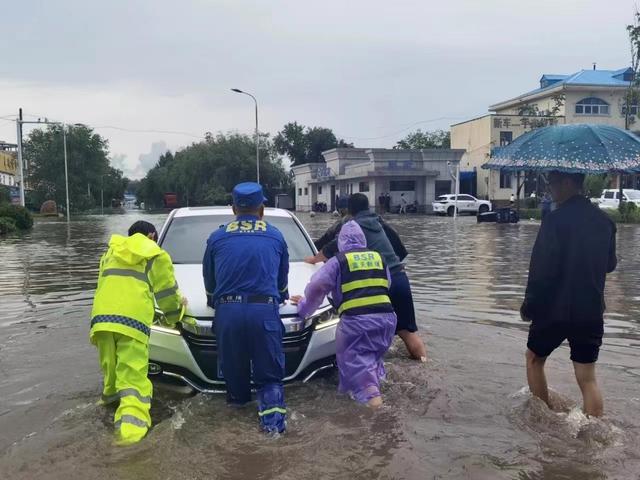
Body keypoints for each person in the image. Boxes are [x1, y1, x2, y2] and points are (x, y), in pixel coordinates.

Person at [521, 171, 617, 417]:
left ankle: (545, 423)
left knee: (534, 359)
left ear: (567, 183)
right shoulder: (605, 221)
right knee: (587, 378)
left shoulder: (554, 220)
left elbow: (540, 270)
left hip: (554, 309)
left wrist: (529, 306)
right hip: (590, 311)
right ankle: (593, 437)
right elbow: (610, 265)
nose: (549, 189)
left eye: (551, 183)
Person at [203, 182, 289, 434]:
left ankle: (235, 430)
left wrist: (214, 302)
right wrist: (281, 296)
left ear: (233, 209)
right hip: (264, 312)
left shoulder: (217, 237)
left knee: (234, 381)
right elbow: (282, 279)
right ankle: (273, 433)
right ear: (262, 209)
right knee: (270, 379)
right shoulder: (275, 235)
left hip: (227, 313)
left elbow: (210, 280)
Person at [90, 220, 184, 445]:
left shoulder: (111, 252)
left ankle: (106, 414)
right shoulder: (156, 255)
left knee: (111, 379)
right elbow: (167, 294)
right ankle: (128, 440)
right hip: (131, 324)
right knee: (133, 383)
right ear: (152, 235)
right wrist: (175, 317)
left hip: (101, 322)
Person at [306, 193, 427, 361]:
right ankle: (424, 367)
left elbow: (329, 249)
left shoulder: (351, 227)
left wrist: (311, 259)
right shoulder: (380, 223)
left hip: (377, 283)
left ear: (348, 210)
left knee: (363, 335)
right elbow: (401, 251)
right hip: (399, 278)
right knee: (408, 333)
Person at [292, 221, 396, 408]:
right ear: (362, 239)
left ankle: (379, 417)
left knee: (359, 371)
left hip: (357, 323)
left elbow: (316, 288)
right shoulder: (379, 257)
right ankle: (370, 397)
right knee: (373, 362)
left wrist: (303, 309)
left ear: (341, 241)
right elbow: (386, 284)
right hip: (386, 320)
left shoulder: (338, 262)